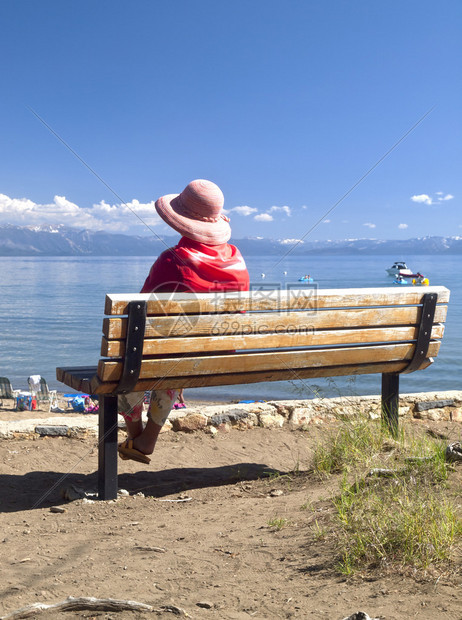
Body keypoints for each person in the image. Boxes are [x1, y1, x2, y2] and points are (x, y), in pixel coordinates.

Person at [117, 179, 250, 464]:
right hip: (221, 355)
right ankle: (145, 439)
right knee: (173, 358)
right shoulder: (237, 259)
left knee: (132, 358)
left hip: (176, 355)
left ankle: (139, 435)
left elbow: (139, 313)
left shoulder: (174, 260)